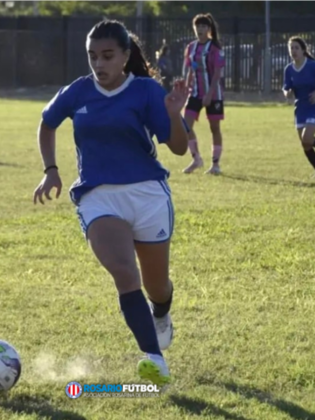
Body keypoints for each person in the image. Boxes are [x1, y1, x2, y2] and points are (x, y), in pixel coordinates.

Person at [33, 19, 191, 387]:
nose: (98, 64)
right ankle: (154, 357)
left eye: (107, 56)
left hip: (148, 195)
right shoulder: (78, 92)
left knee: (158, 287)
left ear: (125, 56)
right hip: (98, 196)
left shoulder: (147, 91)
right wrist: (51, 170)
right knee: (124, 272)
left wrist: (173, 114)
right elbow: (46, 123)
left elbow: (180, 148)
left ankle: (162, 313)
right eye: (92, 57)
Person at [182, 13, 226, 175]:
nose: (200, 29)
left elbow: (216, 73)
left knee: (214, 128)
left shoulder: (215, 48)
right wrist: (186, 89)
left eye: (203, 26)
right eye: (197, 26)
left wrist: (209, 94)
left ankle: (215, 164)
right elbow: (190, 70)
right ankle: (196, 159)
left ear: (208, 29)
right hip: (194, 93)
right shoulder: (191, 47)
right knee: (185, 126)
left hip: (213, 95)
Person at [283, 37, 315, 178]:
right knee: (305, 144)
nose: (293, 51)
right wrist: (287, 93)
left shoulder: (312, 66)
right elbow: (286, 87)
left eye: (296, 48)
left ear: (303, 50)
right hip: (300, 107)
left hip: (314, 105)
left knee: (307, 137)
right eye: (291, 48)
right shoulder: (289, 69)